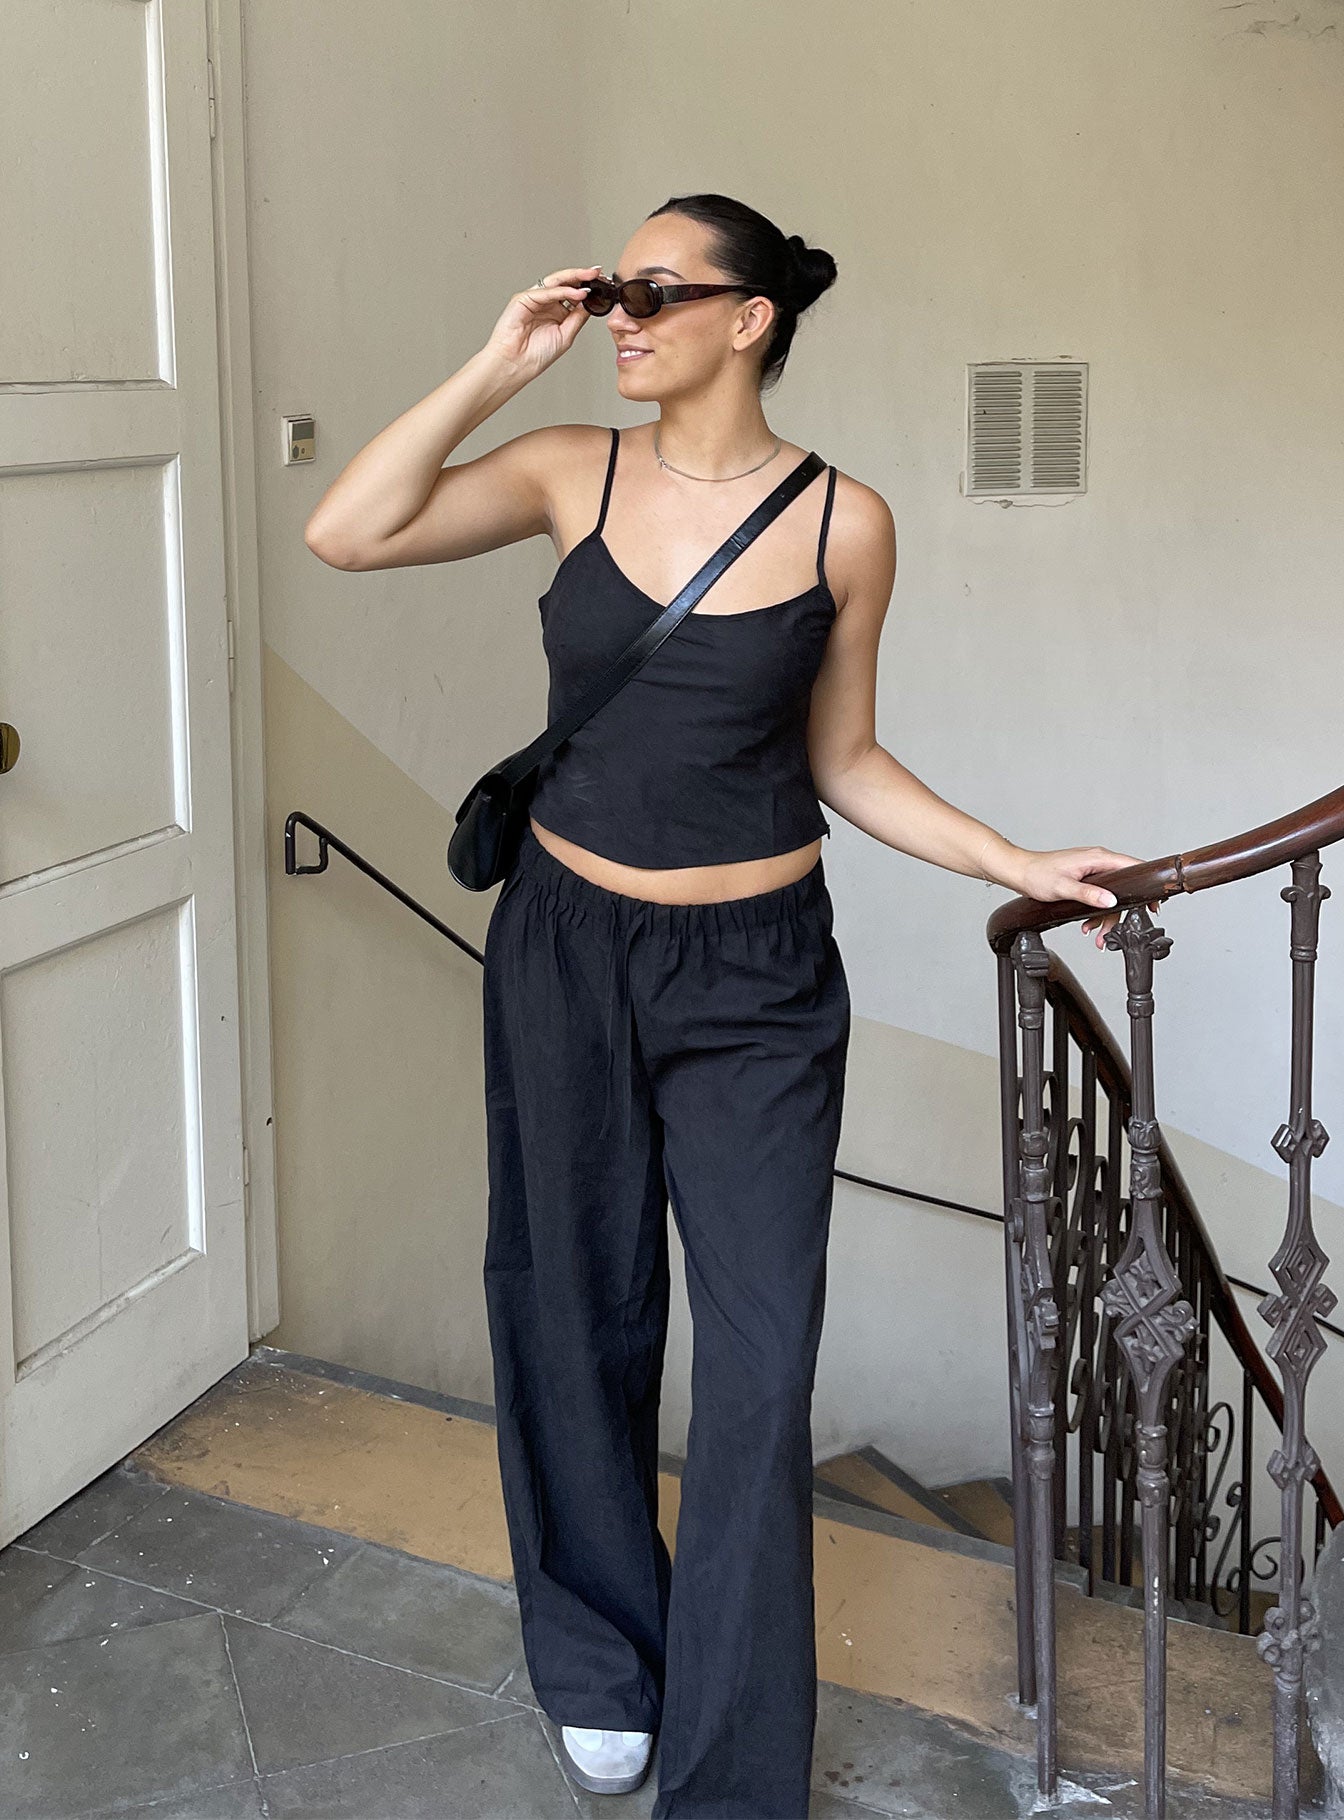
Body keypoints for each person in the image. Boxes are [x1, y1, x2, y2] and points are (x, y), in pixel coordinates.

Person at [305, 191, 1149, 1819]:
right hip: (565, 948)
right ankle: (600, 1662)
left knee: (761, 1366)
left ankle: (736, 1774)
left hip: (756, 981)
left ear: (750, 318)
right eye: (611, 290)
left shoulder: (845, 523)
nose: (619, 316)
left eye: (653, 291)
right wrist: (498, 361)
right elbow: (349, 529)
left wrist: (1012, 858)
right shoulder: (570, 468)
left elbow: (846, 759)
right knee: (571, 1305)